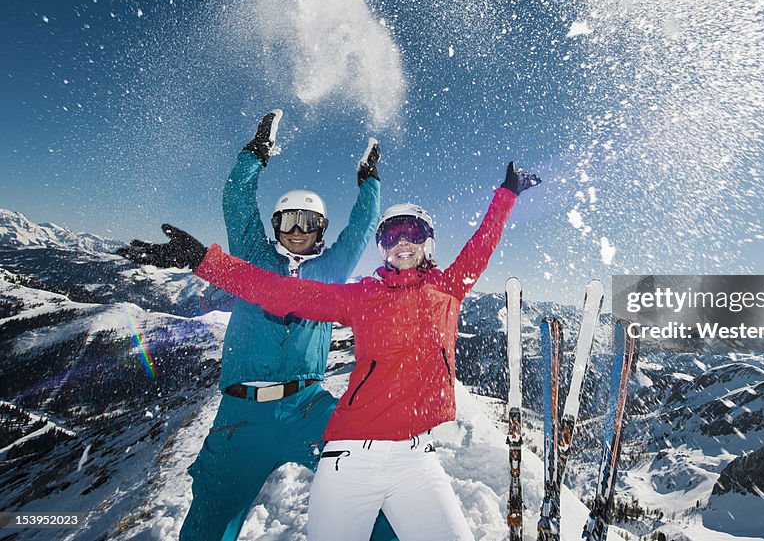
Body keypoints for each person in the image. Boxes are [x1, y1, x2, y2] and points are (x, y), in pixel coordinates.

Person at [118, 161, 541, 541]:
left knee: (396, 527)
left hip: (366, 433)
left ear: (428, 242)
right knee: (213, 521)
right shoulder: (353, 293)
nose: (403, 242)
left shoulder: (438, 286)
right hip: (298, 435)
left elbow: (478, 246)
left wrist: (504, 196)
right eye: (392, 235)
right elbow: (277, 289)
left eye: (412, 233)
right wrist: (202, 258)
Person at [125, 110, 395, 541]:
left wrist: (370, 179)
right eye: (288, 221)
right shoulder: (254, 257)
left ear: (321, 229)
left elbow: (361, 228)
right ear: (275, 226)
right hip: (242, 416)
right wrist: (256, 153)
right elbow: (236, 202)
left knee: (372, 486)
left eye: (308, 223)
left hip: (309, 407)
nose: (297, 231)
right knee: (209, 522)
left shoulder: (331, 268)